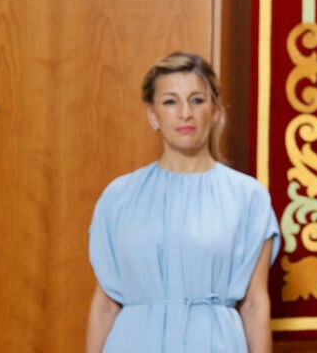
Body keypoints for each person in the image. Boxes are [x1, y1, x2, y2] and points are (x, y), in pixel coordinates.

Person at [85, 51, 280, 352]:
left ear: (215, 111)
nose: (185, 113)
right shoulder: (119, 197)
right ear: (152, 115)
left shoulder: (248, 198)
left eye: (197, 100)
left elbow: (254, 304)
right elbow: (105, 305)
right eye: (170, 101)